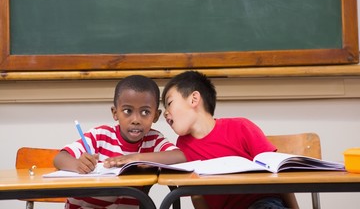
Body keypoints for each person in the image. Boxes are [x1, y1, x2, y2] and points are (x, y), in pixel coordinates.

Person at [161, 70, 299, 209]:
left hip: (263, 203)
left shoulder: (240, 127)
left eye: (169, 103)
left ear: (194, 99)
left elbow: (279, 174)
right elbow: (196, 194)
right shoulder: (182, 147)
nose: (165, 112)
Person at [54, 75, 186, 209]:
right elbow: (60, 158)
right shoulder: (100, 136)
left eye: (145, 112)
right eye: (127, 111)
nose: (136, 120)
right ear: (115, 112)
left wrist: (136, 158)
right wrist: (77, 164)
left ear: (156, 116)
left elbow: (181, 156)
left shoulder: (153, 140)